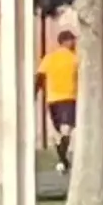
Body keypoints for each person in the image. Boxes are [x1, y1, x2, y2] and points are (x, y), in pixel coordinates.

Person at [38, 29, 79, 173]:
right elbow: (41, 75)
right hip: (68, 97)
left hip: (53, 99)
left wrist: (35, 92)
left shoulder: (49, 57)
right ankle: (63, 160)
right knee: (64, 132)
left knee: (62, 131)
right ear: (66, 42)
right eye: (72, 40)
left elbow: (40, 76)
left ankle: (63, 162)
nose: (74, 43)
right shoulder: (75, 58)